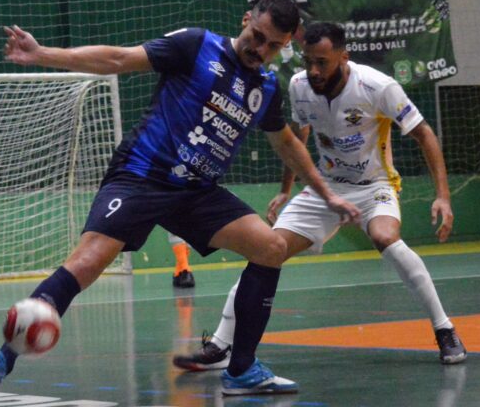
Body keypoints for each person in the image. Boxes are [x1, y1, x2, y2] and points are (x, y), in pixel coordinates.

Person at [0, 0, 360, 397]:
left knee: (271, 248)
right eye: (256, 36)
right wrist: (43, 54)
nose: (260, 49)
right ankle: (0, 362)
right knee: (87, 262)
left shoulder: (267, 87)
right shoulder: (195, 45)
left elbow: (287, 144)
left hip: (197, 192)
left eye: (273, 45)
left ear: (286, 44)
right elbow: (118, 59)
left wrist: (326, 193)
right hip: (142, 176)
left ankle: (241, 370)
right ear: (245, 19)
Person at [173, 21, 465, 373]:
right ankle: (220, 345)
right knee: (267, 250)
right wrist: (285, 190)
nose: (313, 70)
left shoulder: (377, 86)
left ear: (344, 57)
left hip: (374, 187)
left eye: (322, 62)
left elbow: (425, 134)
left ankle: (444, 329)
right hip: (325, 190)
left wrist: (443, 196)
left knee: (385, 237)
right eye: (308, 61)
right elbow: (297, 139)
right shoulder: (299, 86)